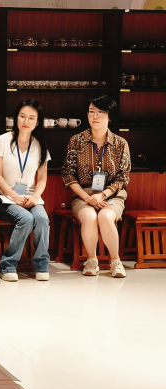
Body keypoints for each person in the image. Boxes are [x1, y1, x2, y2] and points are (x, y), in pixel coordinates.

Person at [61, 95, 131, 277]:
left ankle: (115, 261)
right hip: (83, 194)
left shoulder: (120, 144)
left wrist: (102, 195)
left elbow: (123, 177)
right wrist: (88, 197)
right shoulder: (76, 141)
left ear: (110, 117)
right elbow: (68, 174)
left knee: (106, 217)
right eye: (91, 112)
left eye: (101, 112)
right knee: (89, 216)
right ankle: (91, 260)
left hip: (112, 195)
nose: (95, 116)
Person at [0, 98, 51, 281]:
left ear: (37, 122)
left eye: (31, 118)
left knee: (42, 219)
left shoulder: (40, 145)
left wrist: (35, 197)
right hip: (4, 198)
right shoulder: (2, 140)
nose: (26, 121)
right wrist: (14, 196)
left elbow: (42, 179)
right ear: (16, 118)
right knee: (26, 219)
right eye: (22, 116)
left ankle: (41, 266)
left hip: (30, 198)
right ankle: (7, 266)